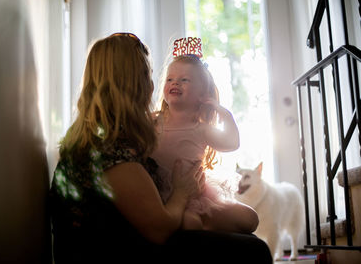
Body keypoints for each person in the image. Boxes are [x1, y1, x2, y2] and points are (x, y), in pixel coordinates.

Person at [49, 32, 272, 263]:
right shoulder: (108, 148)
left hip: (124, 241)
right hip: (111, 252)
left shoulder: (106, 134)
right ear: (131, 83)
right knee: (254, 250)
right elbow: (161, 228)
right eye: (149, 75)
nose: (153, 84)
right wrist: (182, 192)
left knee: (247, 226)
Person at [150, 52, 259, 233]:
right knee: (190, 224)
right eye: (170, 79)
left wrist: (224, 113)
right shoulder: (152, 122)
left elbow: (232, 143)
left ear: (202, 95)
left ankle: (202, 221)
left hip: (194, 195)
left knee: (250, 218)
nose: (175, 83)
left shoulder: (201, 129)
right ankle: (196, 223)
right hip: (158, 191)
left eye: (184, 80)